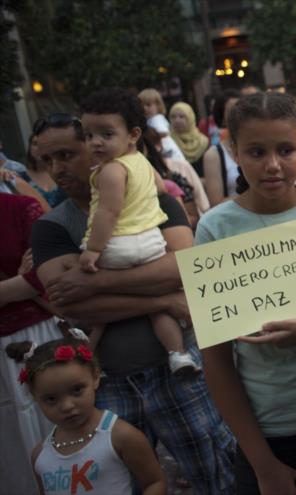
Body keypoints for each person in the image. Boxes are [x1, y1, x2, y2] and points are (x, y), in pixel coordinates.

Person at [30, 113, 236, 493]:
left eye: (66, 154)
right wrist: (164, 299)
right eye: (47, 160)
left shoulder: (156, 202)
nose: (57, 168)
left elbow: (185, 270)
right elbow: (75, 307)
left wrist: (99, 282)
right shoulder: (51, 227)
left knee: (218, 475)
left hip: (179, 372)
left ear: (96, 149)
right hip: (100, 385)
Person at [199, 92, 296, 495]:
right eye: (255, 151)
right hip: (269, 423)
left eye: (286, 149)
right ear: (233, 150)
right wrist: (261, 464)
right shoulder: (215, 229)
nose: (272, 165)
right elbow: (217, 361)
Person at [77, 88, 198, 375]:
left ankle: (90, 358)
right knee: (157, 308)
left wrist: (93, 250)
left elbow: (109, 212)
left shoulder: (111, 170)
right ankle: (178, 354)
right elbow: (160, 188)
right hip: (151, 243)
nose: (95, 142)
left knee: (99, 305)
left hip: (117, 245)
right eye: (88, 135)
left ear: (132, 134)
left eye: (106, 134)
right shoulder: (142, 162)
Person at [10, 336, 166, 495]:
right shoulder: (40, 455)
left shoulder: (121, 436)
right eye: (51, 399)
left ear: (95, 377)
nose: (67, 406)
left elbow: (154, 482)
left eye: (77, 390)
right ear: (35, 397)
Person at [0, 192, 55, 494]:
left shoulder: (20, 208)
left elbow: (45, 274)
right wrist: (15, 285)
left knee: (54, 425)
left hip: (35, 340)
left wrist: (27, 281)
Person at [202, 89, 242, 205]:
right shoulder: (214, 155)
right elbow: (216, 203)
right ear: (222, 117)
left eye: (243, 110)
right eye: (232, 111)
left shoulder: (262, 147)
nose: (239, 115)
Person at [3, 135, 65, 208]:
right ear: (30, 148)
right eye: (35, 144)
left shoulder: (64, 171)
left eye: (44, 144)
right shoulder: (19, 176)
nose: (39, 148)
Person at [138, 88, 185, 162]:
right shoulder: (151, 119)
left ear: (158, 105)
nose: (144, 108)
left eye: (148, 105)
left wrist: (151, 136)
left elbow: (164, 132)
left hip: (168, 150)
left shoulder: (156, 119)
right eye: (142, 105)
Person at [169, 102, 210, 168]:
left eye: (182, 116)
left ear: (190, 118)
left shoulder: (203, 141)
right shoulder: (168, 142)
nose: (177, 120)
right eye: (173, 117)